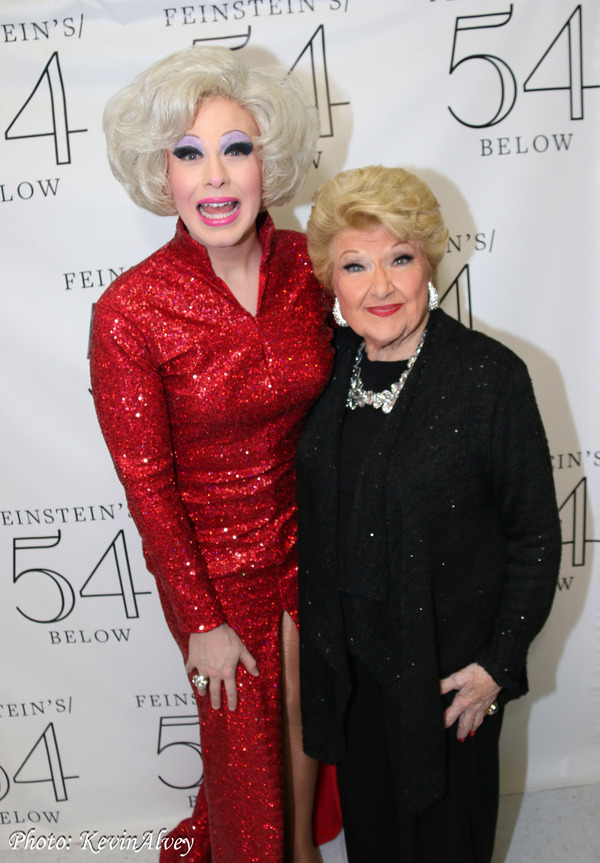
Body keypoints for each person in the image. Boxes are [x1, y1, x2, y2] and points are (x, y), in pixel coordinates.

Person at [89, 45, 339, 863]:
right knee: (244, 750)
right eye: (188, 154)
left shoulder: (311, 267)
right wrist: (200, 620)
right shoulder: (130, 309)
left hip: (317, 539)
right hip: (214, 565)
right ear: (161, 173)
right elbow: (147, 487)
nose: (216, 178)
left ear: (270, 159)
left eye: (237, 148)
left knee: (313, 709)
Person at [295, 165, 562, 863]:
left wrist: (498, 665)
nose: (379, 286)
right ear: (332, 279)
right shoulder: (326, 367)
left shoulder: (487, 376)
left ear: (429, 264)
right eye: (356, 264)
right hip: (353, 678)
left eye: (399, 258)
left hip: (447, 681)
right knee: (375, 841)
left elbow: (535, 534)